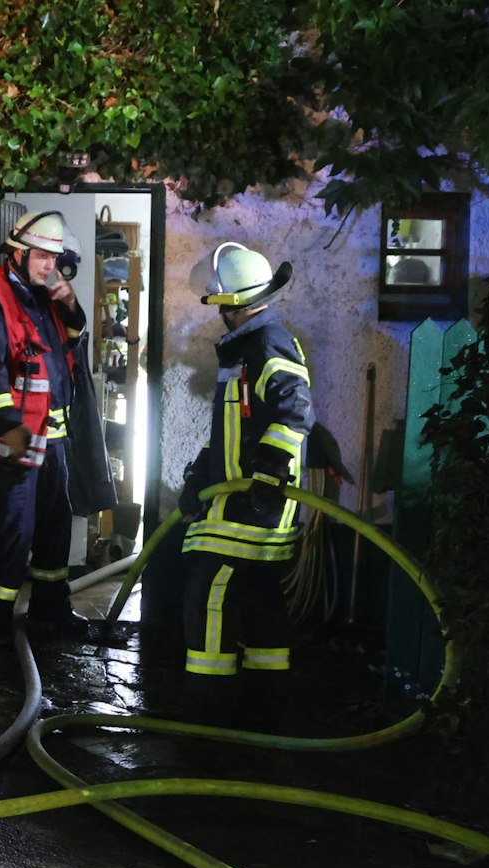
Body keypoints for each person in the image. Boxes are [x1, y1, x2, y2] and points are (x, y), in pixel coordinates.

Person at [0, 209, 113, 647]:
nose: (50, 266)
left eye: (54, 258)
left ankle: (50, 611)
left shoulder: (43, 294)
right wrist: (9, 427)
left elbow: (73, 340)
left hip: (51, 433)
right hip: (15, 436)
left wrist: (70, 302)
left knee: (56, 525)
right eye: (42, 256)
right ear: (18, 253)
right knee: (15, 530)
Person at [176, 241, 315, 725]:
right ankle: (264, 709)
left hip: (249, 513)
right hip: (244, 507)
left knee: (208, 598)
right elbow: (233, 433)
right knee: (260, 605)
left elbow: (294, 411)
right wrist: (200, 475)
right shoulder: (248, 349)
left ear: (230, 305)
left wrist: (269, 475)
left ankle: (207, 713)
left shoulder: (267, 344)